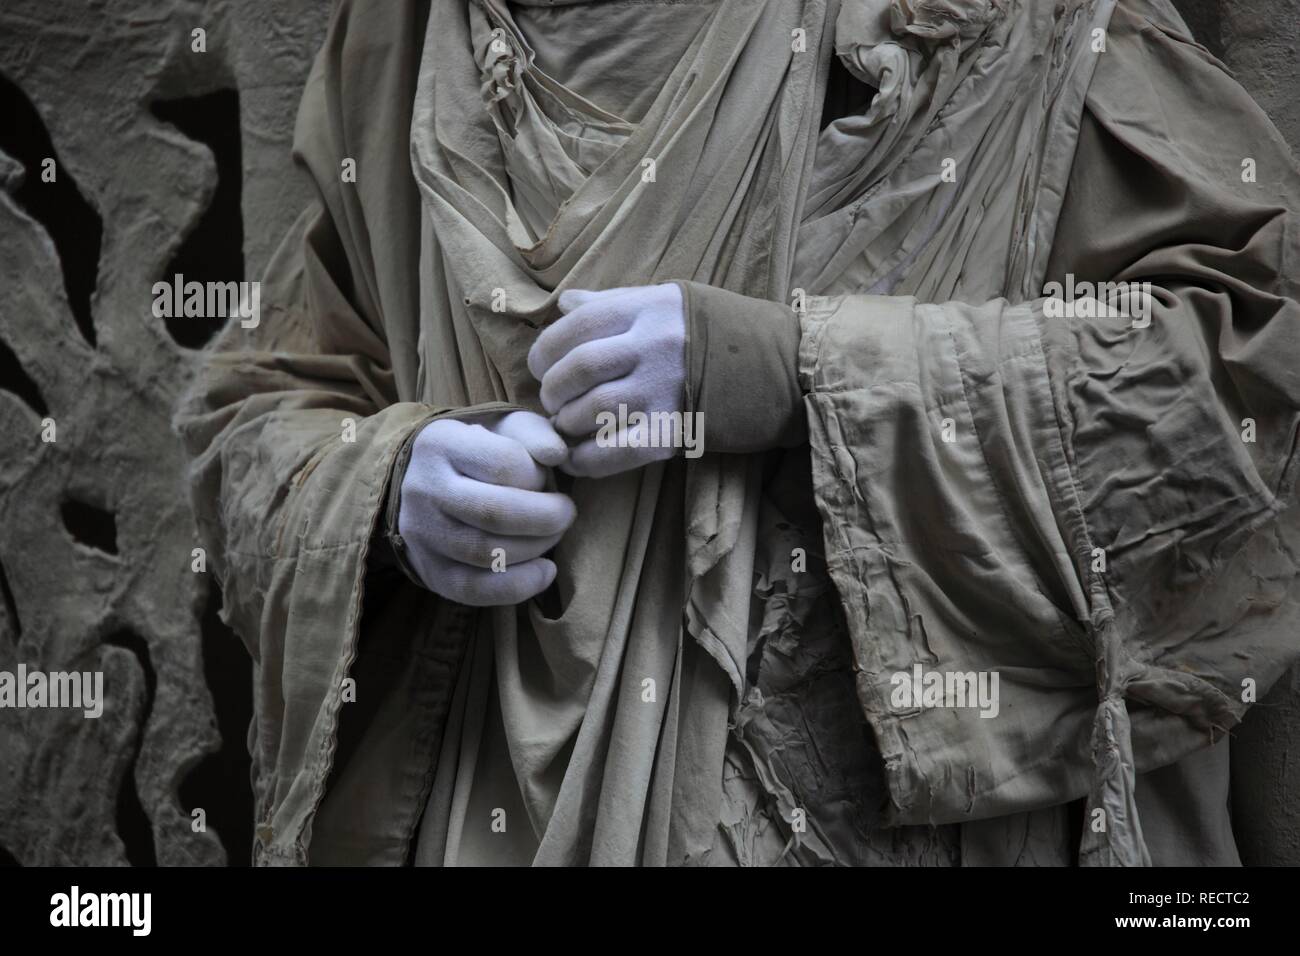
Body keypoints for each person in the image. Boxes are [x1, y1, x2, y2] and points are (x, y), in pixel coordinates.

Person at [178, 0, 1300, 866]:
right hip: (467, 803)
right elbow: (264, 402)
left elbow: (1238, 372)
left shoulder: (988, 25)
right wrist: (384, 490)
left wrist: (791, 373)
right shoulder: (402, 38)